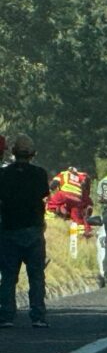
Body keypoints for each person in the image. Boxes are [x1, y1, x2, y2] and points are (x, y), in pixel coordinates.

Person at [0, 134, 50, 328]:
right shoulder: (39, 174)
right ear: (32, 154)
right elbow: (43, 195)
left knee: (9, 275)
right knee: (36, 275)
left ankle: (6, 315)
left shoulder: (4, 175)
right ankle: (37, 315)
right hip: (33, 230)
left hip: (9, 230)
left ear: (13, 153)